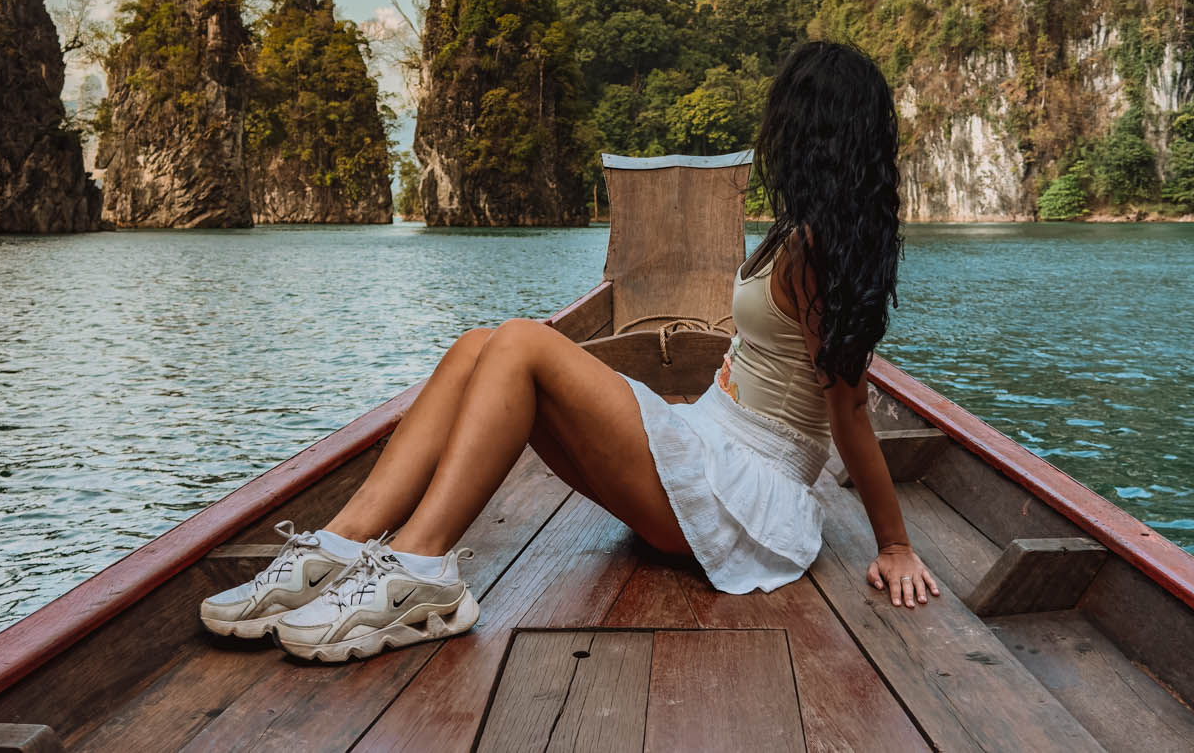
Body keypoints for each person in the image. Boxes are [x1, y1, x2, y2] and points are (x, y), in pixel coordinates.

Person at [198, 38, 940, 662]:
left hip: (744, 493)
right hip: (710, 437)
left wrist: (895, 545)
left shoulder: (817, 250)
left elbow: (849, 414)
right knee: (477, 347)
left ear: (809, 133)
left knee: (522, 343)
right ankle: (337, 547)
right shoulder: (797, 234)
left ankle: (421, 567)